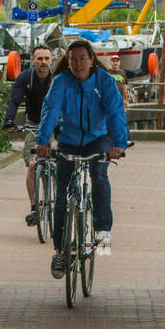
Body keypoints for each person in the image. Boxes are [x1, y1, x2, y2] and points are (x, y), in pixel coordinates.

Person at [34, 36, 128, 279]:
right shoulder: (61, 82)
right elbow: (51, 109)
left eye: (82, 59)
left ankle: (103, 230)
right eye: (73, 59)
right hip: (69, 139)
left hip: (99, 138)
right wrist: (43, 141)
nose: (77, 64)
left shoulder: (105, 81)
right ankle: (60, 251)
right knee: (63, 196)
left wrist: (118, 143)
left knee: (98, 173)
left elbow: (115, 111)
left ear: (92, 59)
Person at [2, 44, 55, 227]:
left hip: (57, 126)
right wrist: (9, 120)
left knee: (62, 162)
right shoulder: (25, 78)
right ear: (33, 60)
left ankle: (64, 201)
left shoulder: (57, 78)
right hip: (34, 125)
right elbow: (15, 100)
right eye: (39, 59)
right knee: (33, 164)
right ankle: (34, 207)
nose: (43, 62)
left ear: (51, 60)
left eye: (47, 59)